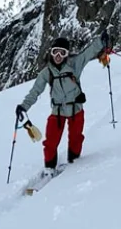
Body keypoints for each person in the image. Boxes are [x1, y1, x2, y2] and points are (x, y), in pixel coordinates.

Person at [15, 31, 110, 172]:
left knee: (76, 139)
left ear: (67, 54)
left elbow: (88, 53)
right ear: (51, 53)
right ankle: (49, 167)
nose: (58, 56)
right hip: (57, 111)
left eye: (62, 52)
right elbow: (35, 91)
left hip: (75, 109)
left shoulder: (74, 64)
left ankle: (74, 162)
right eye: (55, 52)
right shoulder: (47, 72)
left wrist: (101, 41)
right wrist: (24, 107)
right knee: (50, 142)